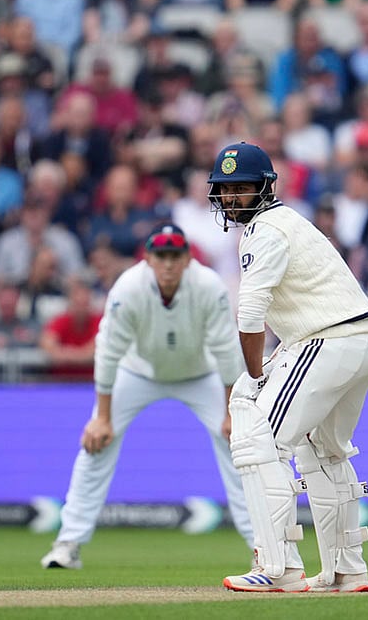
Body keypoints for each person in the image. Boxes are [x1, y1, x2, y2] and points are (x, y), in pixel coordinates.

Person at [206, 142, 368, 593]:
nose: (232, 199)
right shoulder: (288, 223)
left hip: (327, 338)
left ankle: (278, 566)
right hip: (360, 339)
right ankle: (347, 570)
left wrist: (254, 375)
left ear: (265, 188)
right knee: (324, 450)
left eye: (242, 188)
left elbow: (250, 312)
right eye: (226, 190)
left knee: (258, 438)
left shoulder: (265, 229)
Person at [40, 224, 254, 569]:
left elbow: (227, 351)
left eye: (175, 256)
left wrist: (231, 414)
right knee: (96, 443)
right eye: (161, 256)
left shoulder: (209, 286)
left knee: (239, 446)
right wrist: (103, 418)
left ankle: (262, 547)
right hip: (136, 371)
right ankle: (68, 543)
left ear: (187, 259)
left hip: (200, 374)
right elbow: (108, 352)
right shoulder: (128, 288)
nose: (168, 264)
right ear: (148, 259)